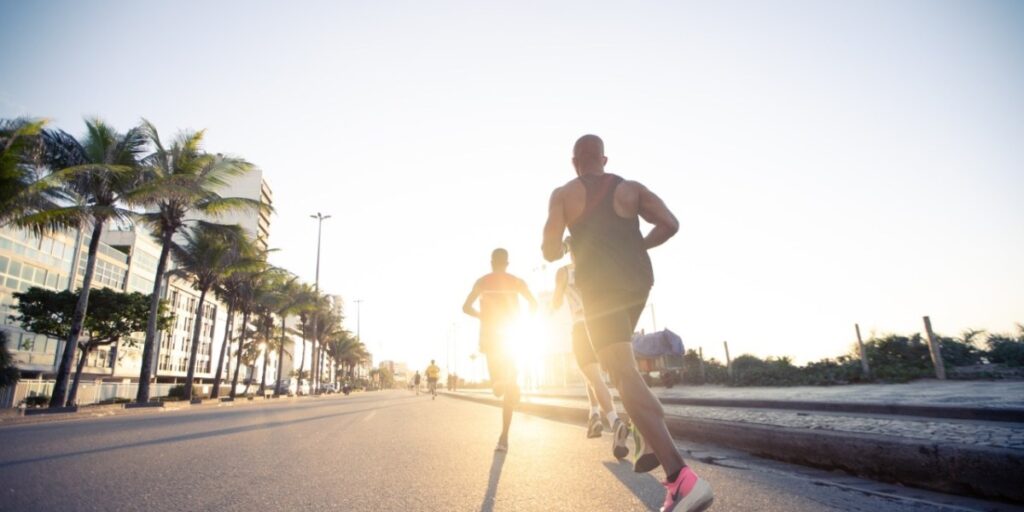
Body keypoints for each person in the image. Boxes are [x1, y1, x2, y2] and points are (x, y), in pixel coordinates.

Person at [541, 135, 713, 512]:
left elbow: (549, 250)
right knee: (625, 369)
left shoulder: (564, 194)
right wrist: (638, 246)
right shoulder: (630, 188)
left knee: (622, 372)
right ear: (604, 159)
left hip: (601, 289)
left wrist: (566, 239)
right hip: (638, 282)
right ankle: (647, 438)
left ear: (574, 162)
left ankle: (681, 478)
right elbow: (670, 224)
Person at [551, 237, 628, 454]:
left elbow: (556, 302)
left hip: (581, 327)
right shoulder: (599, 267)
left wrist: (558, 298)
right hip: (604, 326)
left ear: (569, 249)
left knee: (595, 378)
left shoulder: (564, 272)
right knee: (593, 376)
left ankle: (614, 421)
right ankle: (594, 415)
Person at [462, 248, 538, 452]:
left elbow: (465, 307)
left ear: (491, 262)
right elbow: (534, 304)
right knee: (503, 390)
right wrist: (527, 321)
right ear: (507, 263)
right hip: (512, 337)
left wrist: (481, 315)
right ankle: (504, 436)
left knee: (499, 389)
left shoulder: (481, 282)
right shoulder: (517, 282)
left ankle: (503, 438)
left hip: (492, 339)